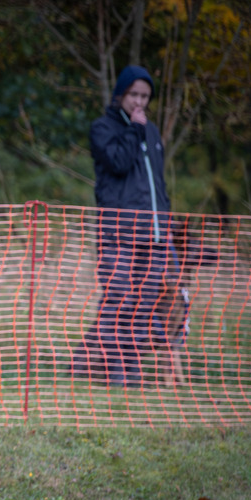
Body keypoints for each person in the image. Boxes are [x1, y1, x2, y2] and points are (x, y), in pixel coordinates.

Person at [72, 65, 186, 386]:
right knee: (119, 296)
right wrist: (134, 130)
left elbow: (157, 184)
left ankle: (133, 368)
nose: (139, 102)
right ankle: (113, 369)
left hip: (155, 233)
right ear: (120, 94)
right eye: (134, 94)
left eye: (145, 96)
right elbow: (119, 163)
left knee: (145, 301)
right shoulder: (103, 128)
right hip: (118, 231)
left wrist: (165, 219)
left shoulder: (152, 131)